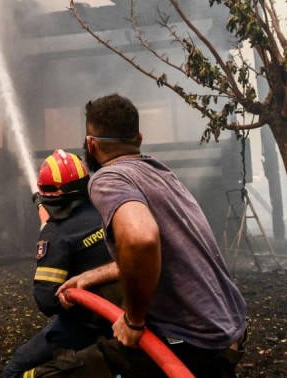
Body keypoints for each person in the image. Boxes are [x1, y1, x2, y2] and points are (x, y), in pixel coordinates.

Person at [34, 94, 247, 378]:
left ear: (90, 144)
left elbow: (141, 241)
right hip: (229, 331)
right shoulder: (160, 173)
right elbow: (160, 252)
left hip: (191, 345)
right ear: (140, 139)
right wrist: (89, 277)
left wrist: (133, 321)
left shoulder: (109, 178)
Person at [2, 149, 121, 378]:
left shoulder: (56, 234)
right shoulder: (109, 209)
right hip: (127, 315)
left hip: (86, 325)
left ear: (49, 194)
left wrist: (48, 235)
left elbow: (46, 301)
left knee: (15, 370)